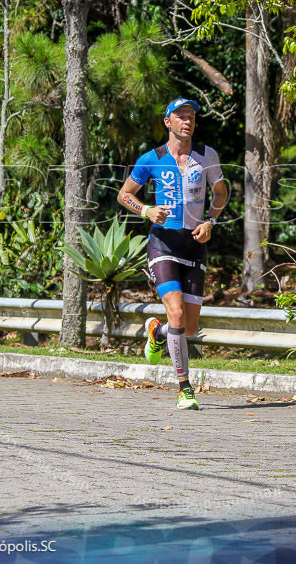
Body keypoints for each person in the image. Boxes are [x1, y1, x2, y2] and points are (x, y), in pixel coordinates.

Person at [117, 98, 229, 410]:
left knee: (188, 328)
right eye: (180, 116)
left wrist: (211, 221)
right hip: (163, 245)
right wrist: (147, 210)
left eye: (191, 116)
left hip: (195, 246)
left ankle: (156, 332)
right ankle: (184, 388)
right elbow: (124, 194)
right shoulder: (151, 159)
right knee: (177, 314)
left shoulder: (206, 156)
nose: (187, 121)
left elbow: (220, 193)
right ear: (168, 122)